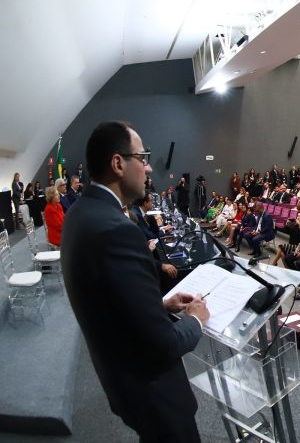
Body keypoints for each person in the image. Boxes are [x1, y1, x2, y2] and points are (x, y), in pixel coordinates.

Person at [60, 121, 209, 442]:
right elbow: (164, 344)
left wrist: (158, 304)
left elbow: (108, 300)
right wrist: (196, 321)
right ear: (118, 163)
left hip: (123, 383)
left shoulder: (80, 213)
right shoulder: (118, 229)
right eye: (142, 157)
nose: (148, 168)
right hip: (154, 393)